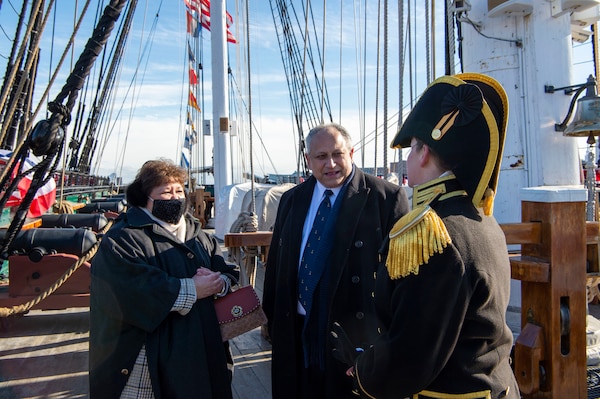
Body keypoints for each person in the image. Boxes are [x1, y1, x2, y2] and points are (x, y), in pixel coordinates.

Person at [331, 73, 520, 398]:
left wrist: (364, 370)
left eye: (412, 147)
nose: (407, 159)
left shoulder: (431, 233)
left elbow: (413, 353)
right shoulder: (480, 218)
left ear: (424, 153)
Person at [262, 122, 410, 399]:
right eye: (321, 157)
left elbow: (401, 276)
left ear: (351, 152)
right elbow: (278, 265)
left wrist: (390, 341)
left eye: (338, 154)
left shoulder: (386, 198)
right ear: (308, 160)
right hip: (295, 329)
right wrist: (272, 318)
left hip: (353, 336)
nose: (330, 164)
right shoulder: (292, 200)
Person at [89, 159, 239, 399]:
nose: (175, 197)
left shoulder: (198, 234)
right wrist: (191, 289)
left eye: (179, 190)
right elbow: (127, 290)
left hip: (202, 347)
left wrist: (219, 282)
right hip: (149, 353)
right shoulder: (123, 238)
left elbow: (227, 269)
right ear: (145, 198)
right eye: (166, 192)